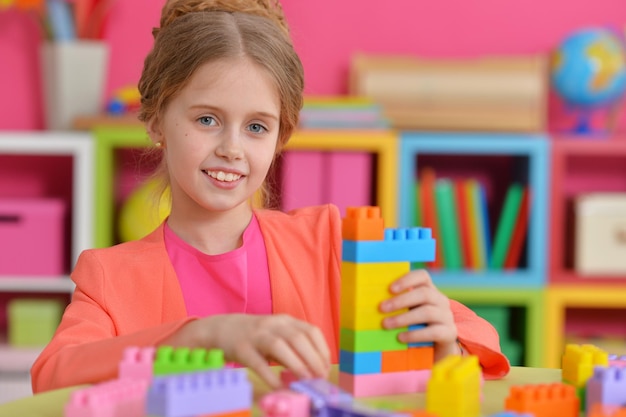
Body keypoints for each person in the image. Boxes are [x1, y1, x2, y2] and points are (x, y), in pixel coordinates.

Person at [31, 0, 510, 393]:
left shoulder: (330, 243)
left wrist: (445, 346)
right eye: (206, 119)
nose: (231, 149)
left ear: (280, 137)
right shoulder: (110, 277)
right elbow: (53, 376)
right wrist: (201, 335)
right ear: (156, 120)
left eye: (256, 127)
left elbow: (477, 340)